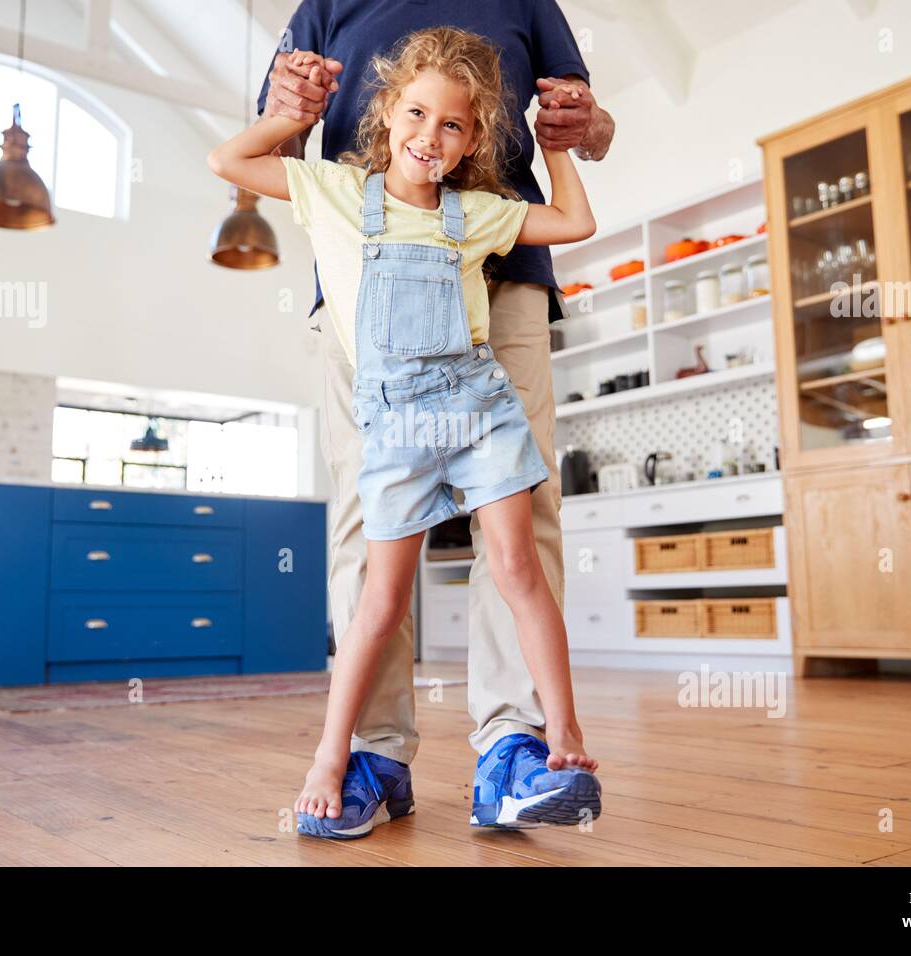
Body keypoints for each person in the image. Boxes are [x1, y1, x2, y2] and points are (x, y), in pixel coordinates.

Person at [210, 26, 598, 837]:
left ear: (471, 142)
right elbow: (230, 163)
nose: (430, 136)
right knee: (379, 600)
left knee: (518, 564)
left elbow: (573, 223)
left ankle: (559, 737)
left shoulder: (481, 212)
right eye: (416, 114)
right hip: (395, 426)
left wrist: (559, 142)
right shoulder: (336, 191)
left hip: (478, 411)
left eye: (453, 125)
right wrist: (291, 112)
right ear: (385, 115)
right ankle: (334, 755)